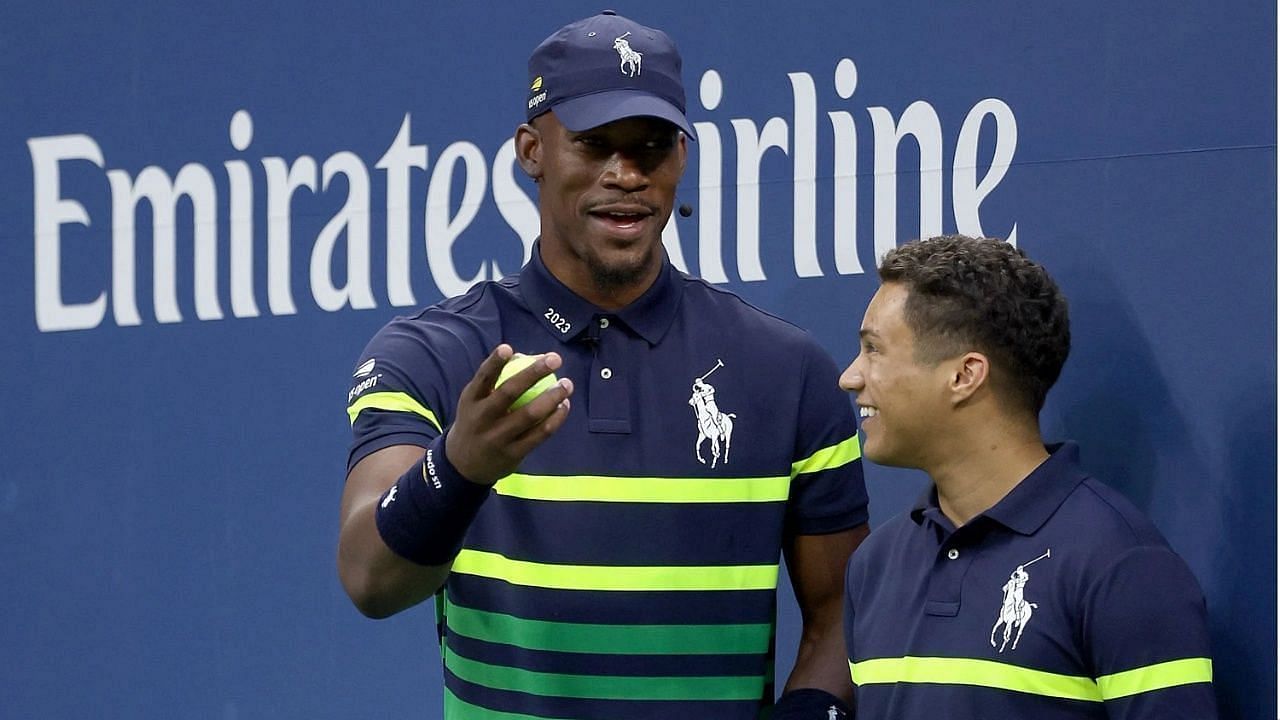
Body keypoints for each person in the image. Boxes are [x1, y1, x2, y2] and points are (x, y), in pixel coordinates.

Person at [339, 11, 869, 720]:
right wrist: (461, 465)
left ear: (681, 156)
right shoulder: (430, 354)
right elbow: (371, 580)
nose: (627, 175)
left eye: (651, 147)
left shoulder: (788, 369)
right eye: (594, 145)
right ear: (532, 151)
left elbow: (843, 612)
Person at [839, 235, 1217, 718]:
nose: (850, 377)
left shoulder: (1121, 566)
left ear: (964, 375)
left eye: (873, 349)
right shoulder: (874, 566)